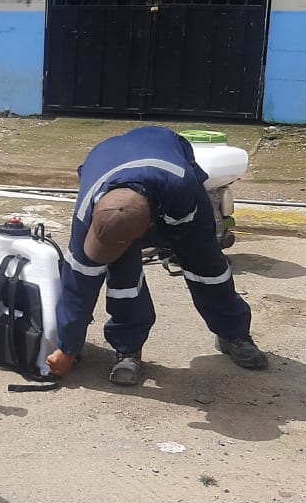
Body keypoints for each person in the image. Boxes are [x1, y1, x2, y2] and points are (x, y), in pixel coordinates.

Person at [45, 125, 267, 386]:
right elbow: (77, 285)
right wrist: (67, 347)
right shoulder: (87, 213)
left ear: (148, 226)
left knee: (206, 267)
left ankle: (234, 334)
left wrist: (170, 244)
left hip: (168, 168)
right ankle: (127, 349)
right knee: (124, 279)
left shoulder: (181, 187)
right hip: (107, 161)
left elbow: (188, 238)